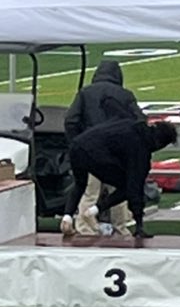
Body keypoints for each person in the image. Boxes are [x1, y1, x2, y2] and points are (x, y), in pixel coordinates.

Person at [61, 58, 145, 237]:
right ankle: (121, 228)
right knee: (120, 191)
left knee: (88, 191)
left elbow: (70, 121)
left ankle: (85, 229)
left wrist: (77, 143)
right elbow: (139, 121)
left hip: (90, 151)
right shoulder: (125, 95)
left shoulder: (85, 93)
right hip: (117, 153)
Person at [63, 118, 178, 240]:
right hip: (96, 153)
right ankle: (96, 209)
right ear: (160, 143)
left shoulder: (130, 124)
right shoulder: (140, 148)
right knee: (127, 186)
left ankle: (67, 217)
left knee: (80, 183)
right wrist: (139, 224)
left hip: (77, 146)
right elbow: (135, 188)